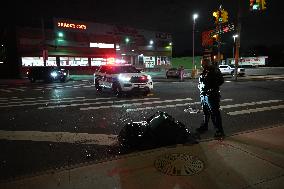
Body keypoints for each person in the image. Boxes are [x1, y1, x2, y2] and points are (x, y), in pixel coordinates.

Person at [196, 58, 225, 139]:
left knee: (215, 114)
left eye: (203, 63)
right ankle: (204, 126)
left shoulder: (214, 70)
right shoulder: (205, 71)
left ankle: (219, 131)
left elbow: (221, 81)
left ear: (208, 63)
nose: (202, 65)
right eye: (202, 63)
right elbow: (202, 81)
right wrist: (200, 86)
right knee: (206, 113)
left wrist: (211, 88)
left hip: (211, 95)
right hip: (203, 95)